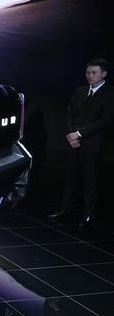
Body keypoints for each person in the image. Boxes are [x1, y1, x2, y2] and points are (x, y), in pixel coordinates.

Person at [48, 59, 114, 227]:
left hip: (93, 143)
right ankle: (65, 211)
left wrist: (79, 134)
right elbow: (69, 113)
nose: (90, 75)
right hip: (74, 142)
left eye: (94, 72)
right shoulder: (80, 90)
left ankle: (88, 215)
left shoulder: (110, 93)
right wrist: (71, 135)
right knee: (70, 178)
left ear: (104, 74)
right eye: (87, 72)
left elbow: (106, 120)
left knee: (90, 181)